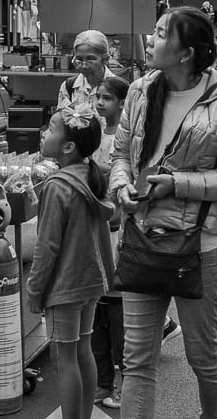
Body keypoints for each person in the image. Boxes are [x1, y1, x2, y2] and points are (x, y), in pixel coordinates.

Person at [110, 6, 217, 419]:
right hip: (142, 237)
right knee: (137, 360)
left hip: (200, 246)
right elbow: (121, 153)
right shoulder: (140, 90)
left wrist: (178, 183)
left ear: (185, 53)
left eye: (162, 34)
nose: (152, 39)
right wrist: (120, 185)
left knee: (203, 355)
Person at [27, 103, 115, 419]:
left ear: (67, 146)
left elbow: (46, 247)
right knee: (83, 350)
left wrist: (34, 291)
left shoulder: (57, 185)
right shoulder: (90, 176)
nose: (42, 132)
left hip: (65, 286)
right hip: (91, 281)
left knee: (64, 359)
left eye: (50, 128)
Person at [91, 75, 131, 411]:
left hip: (117, 226)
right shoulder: (93, 134)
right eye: (98, 97)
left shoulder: (125, 136)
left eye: (107, 98)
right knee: (97, 312)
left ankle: (120, 382)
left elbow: (119, 174)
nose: (100, 103)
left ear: (122, 102)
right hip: (95, 226)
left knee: (116, 309)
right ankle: (102, 379)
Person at [59, 29, 120, 110]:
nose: (84, 65)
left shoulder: (119, 88)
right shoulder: (69, 87)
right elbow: (61, 118)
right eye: (79, 59)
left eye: (90, 59)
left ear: (105, 59)